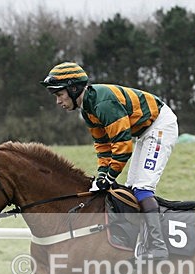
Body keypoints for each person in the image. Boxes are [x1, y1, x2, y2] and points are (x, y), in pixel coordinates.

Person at [40, 61, 179, 260]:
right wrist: (103, 174)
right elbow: (104, 146)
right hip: (144, 131)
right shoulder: (88, 109)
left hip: (160, 125)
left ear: (73, 88)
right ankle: (141, 242)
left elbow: (122, 146)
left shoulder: (103, 104)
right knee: (131, 190)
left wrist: (110, 175)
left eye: (59, 94)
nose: (58, 101)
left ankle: (158, 246)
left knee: (142, 188)